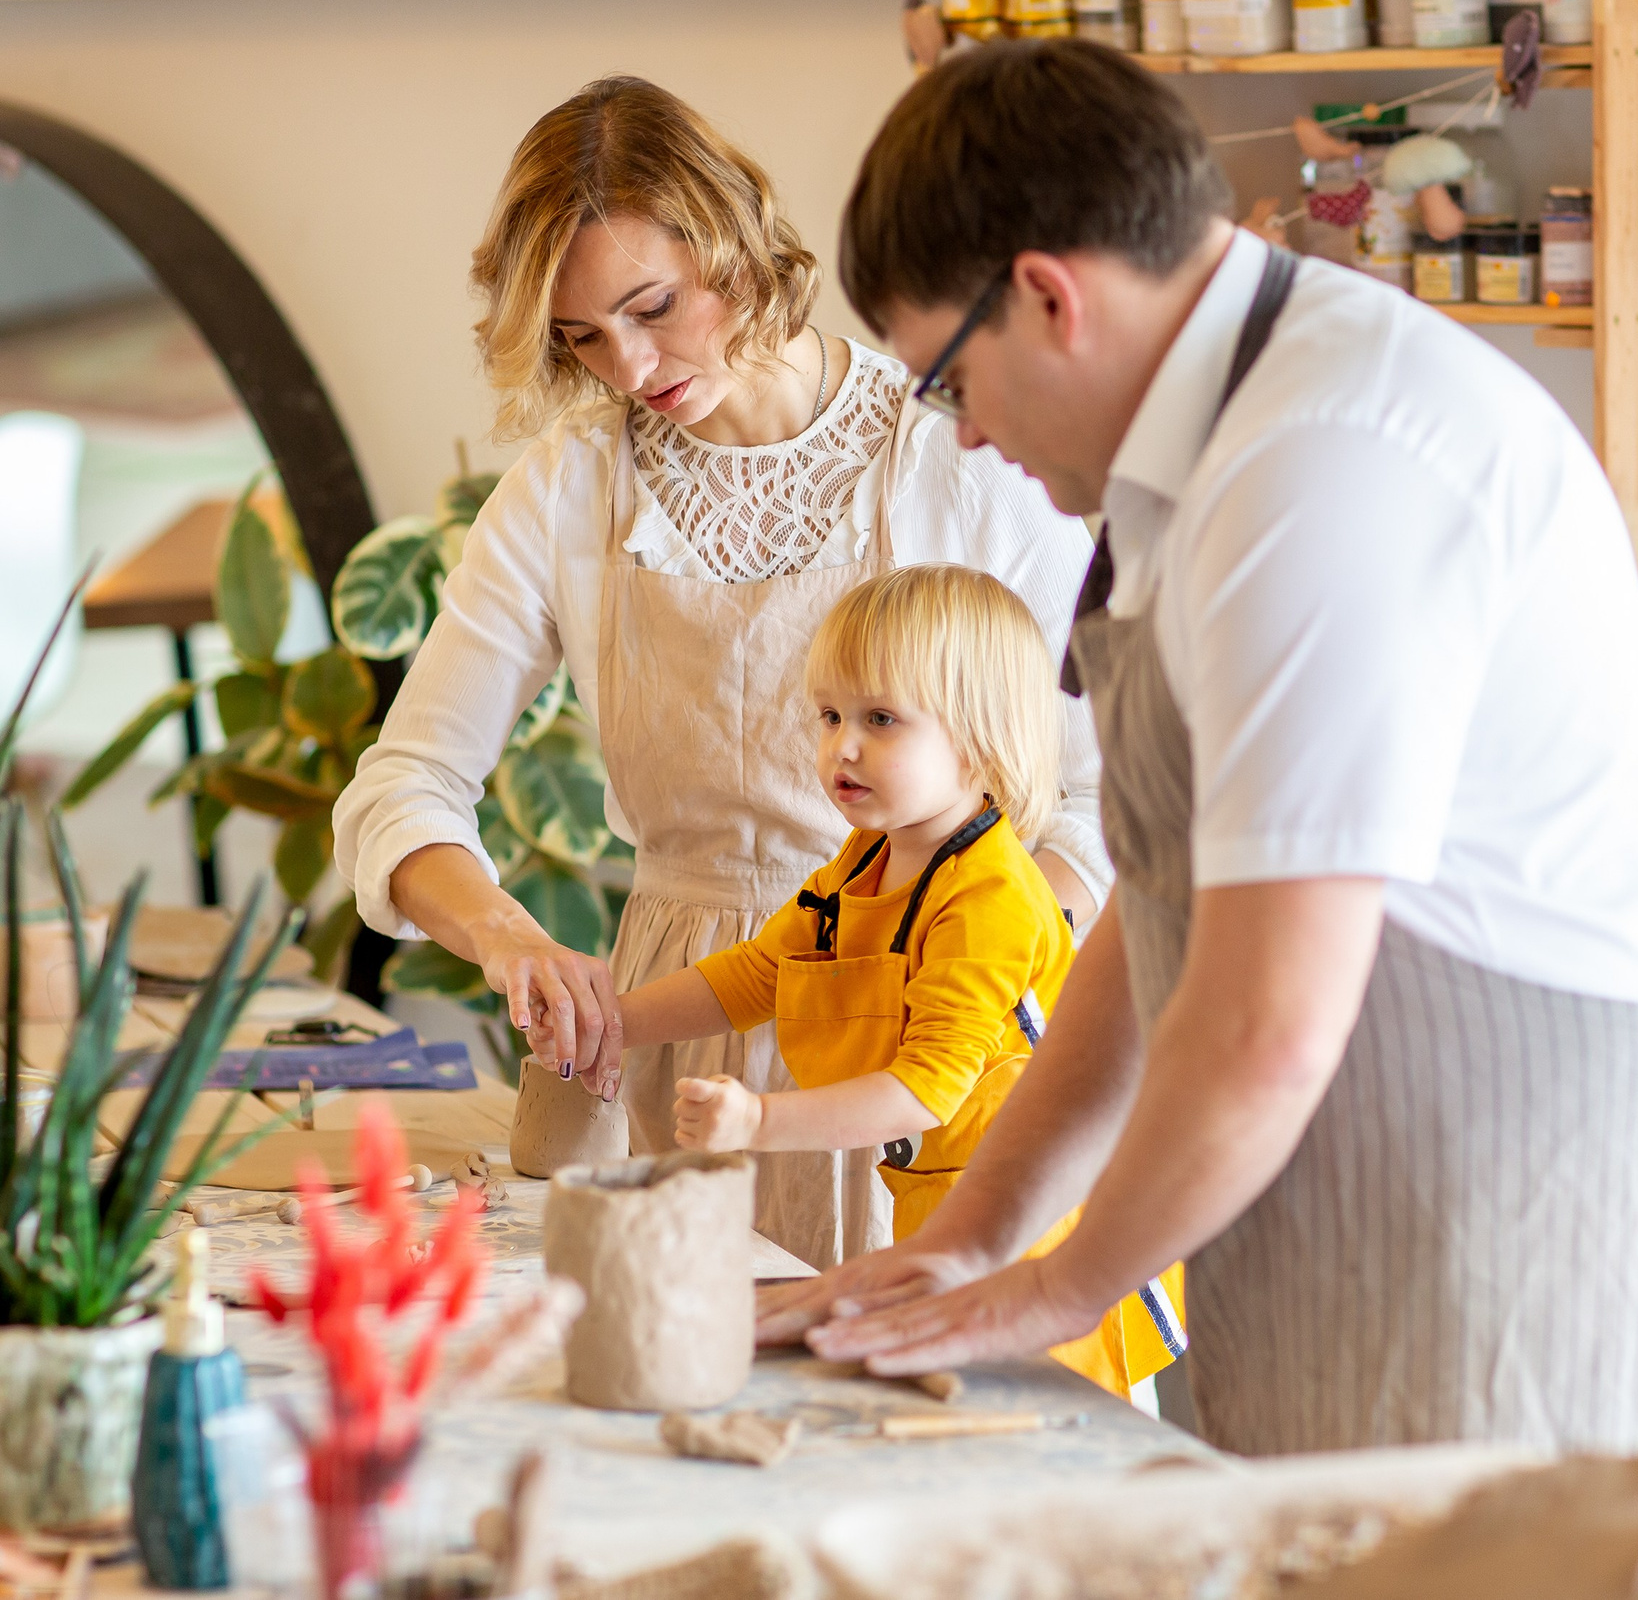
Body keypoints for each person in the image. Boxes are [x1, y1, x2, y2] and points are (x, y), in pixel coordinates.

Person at [757, 40, 1638, 1465]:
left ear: (1046, 295)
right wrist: (972, 1239)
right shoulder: (1202, 454)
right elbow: (1162, 921)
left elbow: (1267, 1019)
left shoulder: (1322, 462)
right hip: (1334, 1207)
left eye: (947, 381)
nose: (963, 436)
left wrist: (1060, 1288)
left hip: (1502, 1223)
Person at [332, 76, 1111, 1273]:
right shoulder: (571, 485)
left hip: (925, 1040)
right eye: (581, 338)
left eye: (652, 308)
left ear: (737, 246)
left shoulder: (959, 458)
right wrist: (508, 941)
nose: (630, 368)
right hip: (664, 1037)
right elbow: (405, 785)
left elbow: (1102, 797)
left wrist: (971, 944)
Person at [598, 564, 1184, 1398]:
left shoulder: (991, 897)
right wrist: (614, 1022)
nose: (842, 745)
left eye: (881, 719)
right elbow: (764, 972)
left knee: (1031, 1441)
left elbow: (925, 1090)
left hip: (1038, 1228)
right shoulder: (866, 859)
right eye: (830, 714)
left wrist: (759, 1119)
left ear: (978, 741)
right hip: (942, 1207)